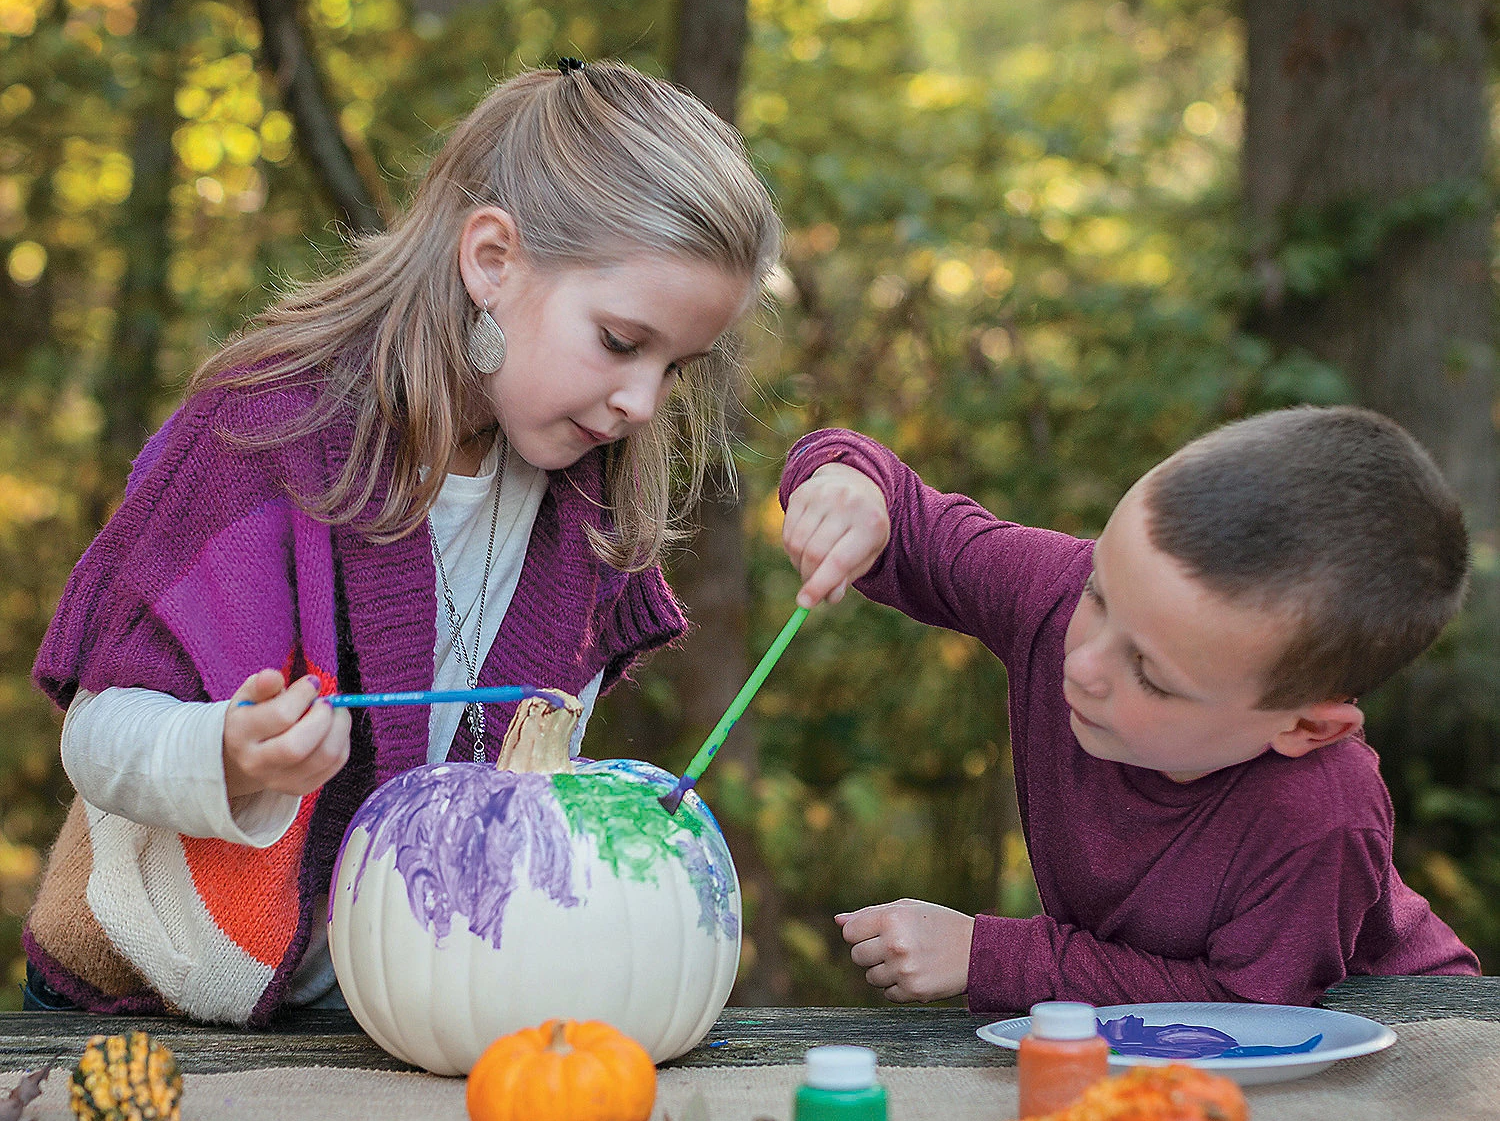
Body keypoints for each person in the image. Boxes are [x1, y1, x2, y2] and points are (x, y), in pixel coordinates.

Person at [23, 59, 779, 1023]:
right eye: (623, 343)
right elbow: (96, 736)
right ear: (493, 262)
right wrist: (232, 754)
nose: (642, 402)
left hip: (392, 1025)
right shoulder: (261, 436)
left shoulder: (583, 510)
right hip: (149, 1012)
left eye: (678, 367)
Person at [778, 406, 1480, 1011]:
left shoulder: (1325, 812)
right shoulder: (1057, 596)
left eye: (1150, 673)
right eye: (1101, 596)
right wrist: (844, 483)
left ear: (1305, 727)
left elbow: (1245, 1012)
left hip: (1401, 1044)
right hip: (1147, 1048)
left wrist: (986, 955)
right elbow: (912, 523)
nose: (1081, 665)